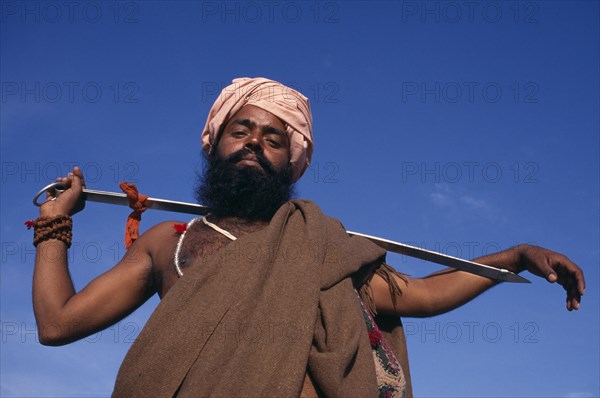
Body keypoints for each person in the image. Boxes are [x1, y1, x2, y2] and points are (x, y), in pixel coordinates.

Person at [32, 78, 585, 398]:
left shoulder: (324, 246)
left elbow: (419, 294)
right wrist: (56, 226)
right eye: (240, 130)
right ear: (215, 143)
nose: (253, 143)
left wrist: (513, 257)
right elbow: (59, 324)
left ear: (291, 163)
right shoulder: (170, 241)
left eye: (273, 138)